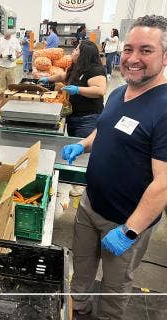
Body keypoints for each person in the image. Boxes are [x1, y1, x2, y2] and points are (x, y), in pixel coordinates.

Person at [61, 15, 167, 320]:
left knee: (115, 286)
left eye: (145, 50)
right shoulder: (120, 93)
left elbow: (163, 183)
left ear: (165, 56)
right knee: (80, 273)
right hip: (90, 205)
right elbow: (104, 130)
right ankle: (76, 311)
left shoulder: (163, 107)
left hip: (125, 220)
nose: (133, 59)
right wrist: (82, 145)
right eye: (129, 49)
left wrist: (130, 230)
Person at [39, 40, 106, 138]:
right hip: (74, 117)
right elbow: (63, 76)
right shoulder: (78, 66)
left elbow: (100, 91)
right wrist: (47, 79)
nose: (73, 51)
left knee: (82, 148)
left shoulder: (95, 70)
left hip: (87, 120)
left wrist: (77, 89)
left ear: (84, 54)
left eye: (77, 49)